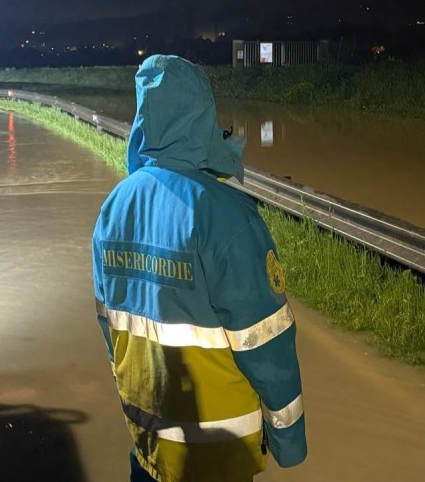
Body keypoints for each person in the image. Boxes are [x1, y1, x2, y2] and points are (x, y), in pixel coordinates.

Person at [92, 54, 307, 482]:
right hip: (217, 459)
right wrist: (289, 442)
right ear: (202, 116)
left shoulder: (114, 208)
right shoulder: (226, 217)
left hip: (148, 448)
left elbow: (110, 330)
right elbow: (266, 344)